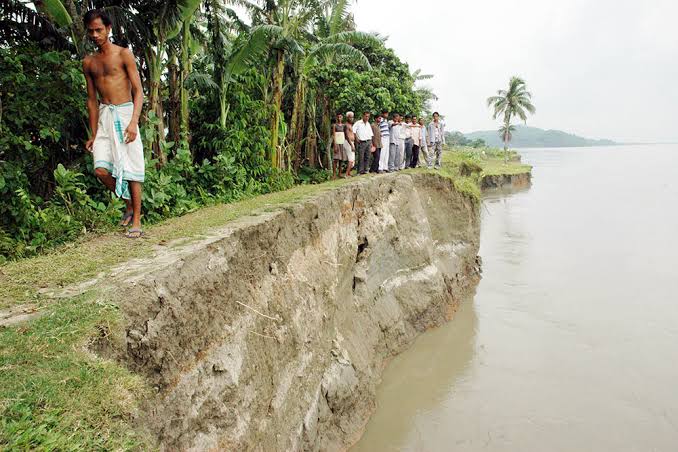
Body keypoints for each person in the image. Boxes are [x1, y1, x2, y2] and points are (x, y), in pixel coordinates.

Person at [82, 9, 145, 238]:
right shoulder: (89, 63)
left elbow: (139, 91)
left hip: (125, 113)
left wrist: (133, 122)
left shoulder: (123, 54)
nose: (95, 35)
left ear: (108, 29)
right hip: (105, 115)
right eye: (91, 31)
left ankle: (136, 220)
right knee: (100, 170)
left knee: (131, 168)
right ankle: (128, 203)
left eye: (99, 30)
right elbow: (91, 100)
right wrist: (93, 132)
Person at [331, 112, 347, 179]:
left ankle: (340, 173)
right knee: (335, 159)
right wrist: (335, 144)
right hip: (337, 143)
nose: (339, 118)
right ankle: (334, 174)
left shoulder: (344, 125)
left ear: (342, 117)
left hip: (342, 143)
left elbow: (345, 134)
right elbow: (334, 135)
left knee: (341, 159)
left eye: (340, 116)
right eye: (338, 117)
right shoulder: (335, 125)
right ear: (336, 117)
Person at [344, 111, 356, 177]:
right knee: (351, 159)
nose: (352, 118)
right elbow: (347, 136)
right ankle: (346, 174)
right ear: (347, 117)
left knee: (352, 159)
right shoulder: (346, 125)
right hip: (348, 143)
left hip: (351, 142)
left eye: (352, 117)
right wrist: (351, 145)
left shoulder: (350, 125)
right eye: (350, 117)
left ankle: (348, 173)